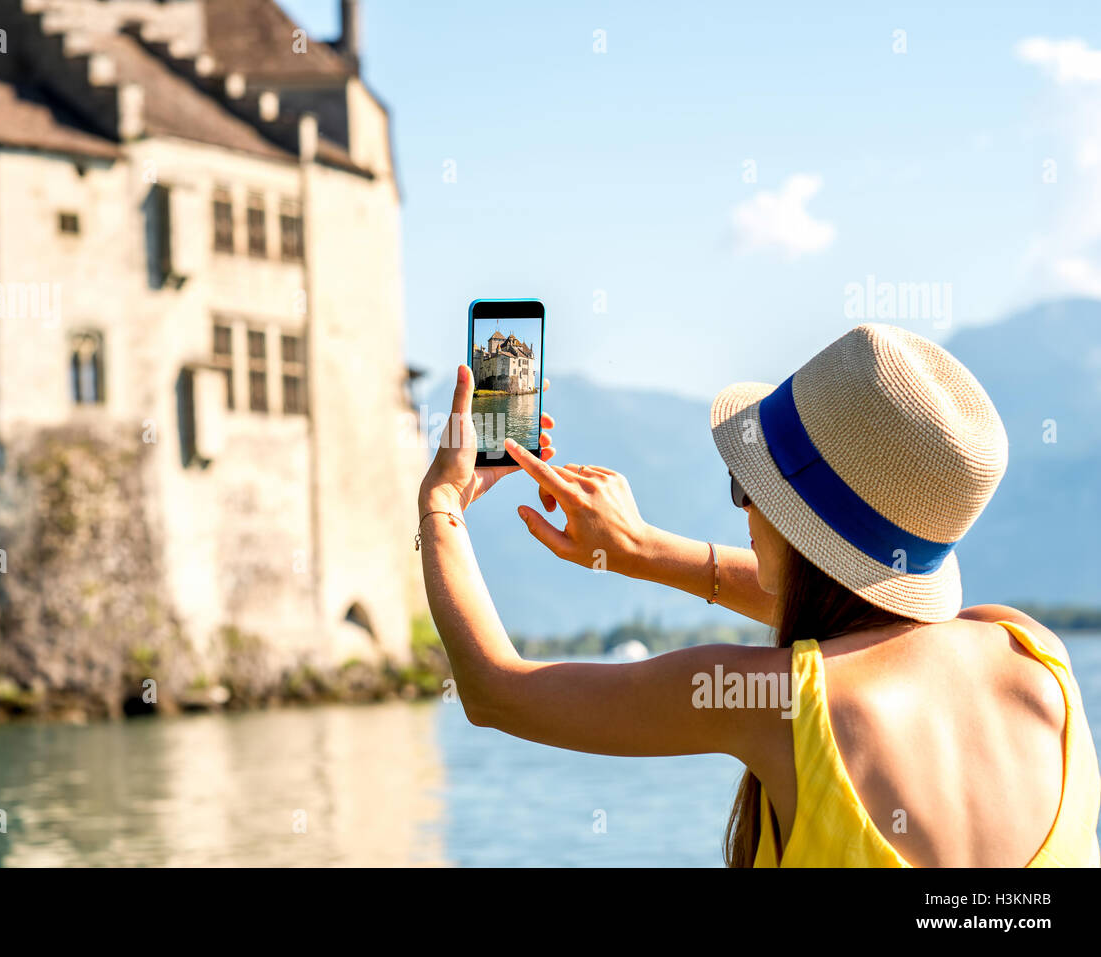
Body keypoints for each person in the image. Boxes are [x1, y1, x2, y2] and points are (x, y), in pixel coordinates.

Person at [416, 322, 1100, 867]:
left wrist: (441, 502)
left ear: (801, 522)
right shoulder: (1037, 656)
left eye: (749, 488)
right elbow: (881, 622)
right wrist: (647, 549)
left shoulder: (776, 701)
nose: (743, 510)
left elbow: (494, 689)